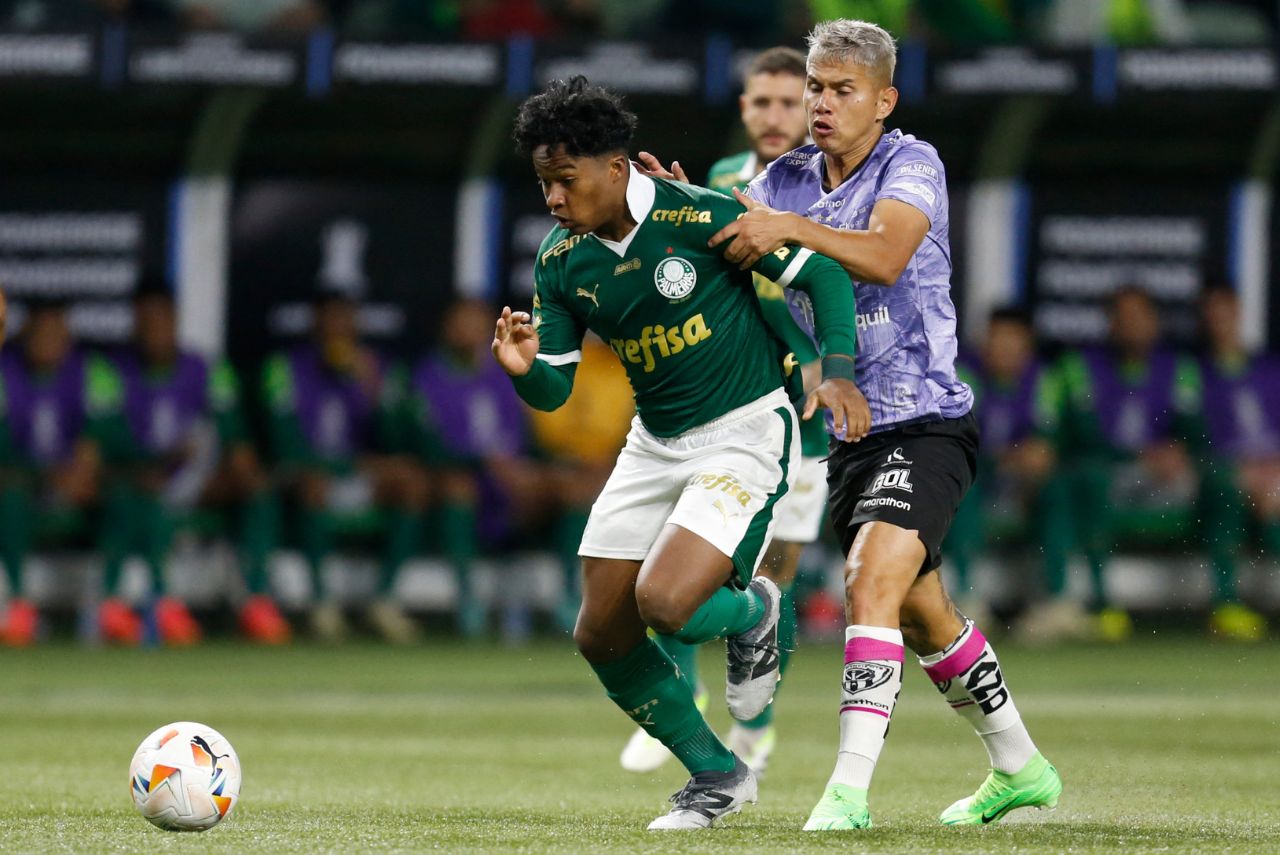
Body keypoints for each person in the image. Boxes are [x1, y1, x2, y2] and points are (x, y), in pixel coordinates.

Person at [642, 19, 1060, 829]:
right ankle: (1021, 763)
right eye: (816, 87)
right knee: (921, 613)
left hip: (928, 422)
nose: (822, 104)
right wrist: (677, 203)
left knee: (870, 579)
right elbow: (733, 231)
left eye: (842, 90)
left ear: (883, 99)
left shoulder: (913, 163)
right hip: (851, 434)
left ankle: (848, 791)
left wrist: (786, 227)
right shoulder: (787, 178)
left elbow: (885, 255)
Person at [495, 75, 862, 830]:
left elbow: (821, 271)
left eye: (565, 180)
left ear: (614, 166)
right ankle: (716, 775)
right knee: (599, 629)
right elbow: (555, 393)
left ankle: (755, 608)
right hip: (654, 443)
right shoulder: (563, 263)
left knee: (668, 603)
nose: (554, 200)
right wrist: (527, 370)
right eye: (543, 185)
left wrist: (838, 371)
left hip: (747, 430)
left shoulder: (695, 215)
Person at [622, 45, 821, 778]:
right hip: (732, 405)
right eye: (760, 102)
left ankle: (757, 726)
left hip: (813, 419)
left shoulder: (834, 188)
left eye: (788, 102)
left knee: (771, 573)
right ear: (742, 109)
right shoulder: (723, 183)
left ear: (813, 106)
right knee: (681, 547)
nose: (773, 116)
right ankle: (682, 696)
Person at [105, 280, 289, 645]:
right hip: (140, 480)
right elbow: (103, 444)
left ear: (176, 320)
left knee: (254, 488)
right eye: (147, 321)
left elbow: (235, 440)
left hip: (194, 478)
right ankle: (157, 603)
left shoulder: (206, 369)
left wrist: (239, 466)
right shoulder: (111, 372)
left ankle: (256, 600)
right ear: (134, 324)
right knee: (141, 492)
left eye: (163, 319)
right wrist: (148, 465)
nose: (155, 329)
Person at [262, 289, 428, 643]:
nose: (338, 331)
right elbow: (283, 443)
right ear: (314, 326)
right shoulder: (284, 369)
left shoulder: (378, 370)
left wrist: (373, 392)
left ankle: (384, 600)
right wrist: (336, 466)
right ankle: (322, 603)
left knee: (411, 483)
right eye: (329, 322)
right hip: (308, 476)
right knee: (313, 483)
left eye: (345, 322)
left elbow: (397, 440)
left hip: (360, 474)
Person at [1057, 286, 1206, 641]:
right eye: (1122, 317)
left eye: (1140, 316)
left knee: (1222, 480)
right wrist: (1138, 456)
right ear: (1109, 323)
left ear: (1154, 322)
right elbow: (1082, 436)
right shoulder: (1081, 366)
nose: (1131, 325)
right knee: (1088, 478)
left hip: (1166, 479)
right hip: (1115, 475)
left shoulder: (1179, 367)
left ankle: (1228, 601)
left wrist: (1179, 449)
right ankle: (1101, 602)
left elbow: (1196, 432)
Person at [948, 307, 1080, 642]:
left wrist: (1037, 453)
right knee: (962, 483)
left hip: (1022, 483)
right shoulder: (963, 373)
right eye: (998, 339)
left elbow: (1048, 441)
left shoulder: (1044, 379)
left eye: (1013, 341)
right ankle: (967, 598)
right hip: (981, 476)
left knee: (1056, 486)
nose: (1005, 349)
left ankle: (1054, 602)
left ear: (1028, 345)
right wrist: (1008, 458)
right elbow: (956, 440)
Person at [0, 300, 118, 644]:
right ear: (26, 336)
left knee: (125, 496)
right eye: (41, 333)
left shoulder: (92, 371)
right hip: (26, 482)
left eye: (57, 333)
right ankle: (18, 605)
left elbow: (98, 440)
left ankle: (107, 606)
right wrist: (49, 476)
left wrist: (82, 472)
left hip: (77, 482)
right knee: (10, 495)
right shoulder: (6, 372)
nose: (49, 341)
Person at [1196, 285, 1273, 641]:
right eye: (1212, 314)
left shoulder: (1268, 369)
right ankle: (1226, 603)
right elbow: (1192, 437)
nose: (1220, 322)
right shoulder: (1194, 373)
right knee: (1227, 486)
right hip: (1227, 471)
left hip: (1273, 472)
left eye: (1226, 312)